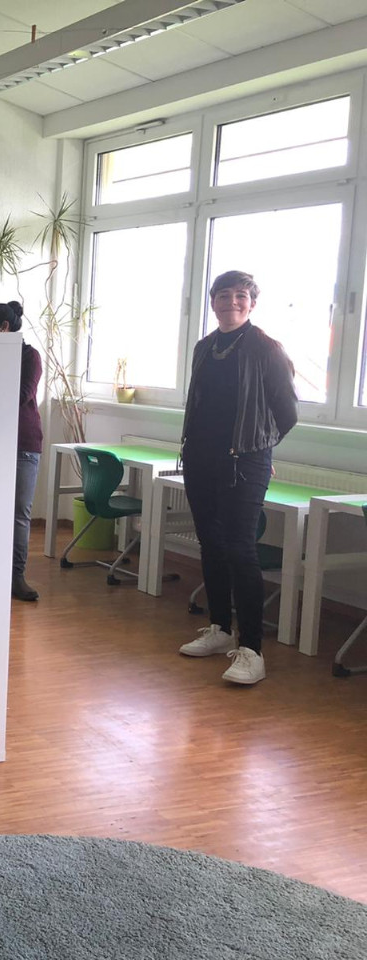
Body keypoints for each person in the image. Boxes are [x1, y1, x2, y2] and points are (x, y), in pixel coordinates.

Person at [177, 270, 297, 685]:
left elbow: (287, 412)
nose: (232, 301)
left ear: (252, 303)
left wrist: (259, 448)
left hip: (243, 462)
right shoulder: (205, 347)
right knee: (210, 544)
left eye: (241, 295)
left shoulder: (266, 348)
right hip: (200, 459)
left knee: (240, 550)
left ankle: (252, 651)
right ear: (213, 302)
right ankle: (220, 629)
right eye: (224, 294)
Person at [0, 301, 43, 602]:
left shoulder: (29, 356)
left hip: (22, 443)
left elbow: (21, 395)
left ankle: (16, 577)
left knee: (19, 514)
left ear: (4, 327)